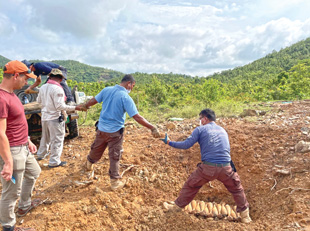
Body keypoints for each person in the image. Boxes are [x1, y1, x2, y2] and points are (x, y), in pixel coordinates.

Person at [161, 109, 252, 223]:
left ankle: (175, 208)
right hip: (226, 167)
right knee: (237, 189)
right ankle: (245, 217)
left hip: (208, 168)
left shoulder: (200, 129)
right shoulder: (223, 130)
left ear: (205, 119)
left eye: (200, 119)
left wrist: (169, 142)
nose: (199, 121)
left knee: (191, 185)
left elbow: (186, 145)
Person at [83, 74, 160, 190]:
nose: (132, 88)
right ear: (129, 83)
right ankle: (114, 182)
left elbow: (93, 100)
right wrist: (152, 127)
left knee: (96, 148)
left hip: (101, 129)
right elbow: (137, 117)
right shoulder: (125, 98)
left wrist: (85, 106)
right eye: (132, 85)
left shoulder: (107, 90)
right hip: (115, 133)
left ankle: (89, 164)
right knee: (114, 155)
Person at [0, 60, 41, 231]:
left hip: (23, 146)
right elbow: (0, 132)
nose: (27, 82)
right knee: (10, 192)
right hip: (13, 151)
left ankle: (24, 205)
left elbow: (18, 122)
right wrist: (8, 162)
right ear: (15, 75)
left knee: (34, 173)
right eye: (25, 78)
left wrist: (28, 140)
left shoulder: (12, 94)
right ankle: (9, 226)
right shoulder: (2, 99)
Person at [36, 69, 87, 168]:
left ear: (50, 77)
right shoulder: (57, 89)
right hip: (54, 117)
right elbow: (60, 106)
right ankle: (54, 161)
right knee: (57, 139)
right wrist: (76, 107)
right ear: (60, 79)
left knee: (45, 137)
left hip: (45, 117)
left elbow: (38, 101)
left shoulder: (43, 87)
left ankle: (41, 154)